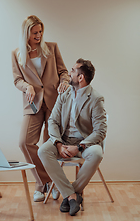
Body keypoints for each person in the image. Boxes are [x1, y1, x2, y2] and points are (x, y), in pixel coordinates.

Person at [12, 15, 70, 202]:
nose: (39, 35)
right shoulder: (17, 54)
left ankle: (44, 186)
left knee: (48, 146)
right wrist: (26, 86)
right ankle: (46, 182)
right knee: (24, 142)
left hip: (54, 101)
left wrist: (65, 81)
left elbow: (63, 71)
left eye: (40, 31)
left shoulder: (51, 48)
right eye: (35, 32)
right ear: (26, 33)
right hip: (33, 103)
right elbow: (17, 80)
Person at [38, 59, 107, 216]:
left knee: (97, 153)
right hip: (62, 142)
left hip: (84, 145)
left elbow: (100, 131)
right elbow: (53, 121)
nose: (69, 73)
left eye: (72, 70)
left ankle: (69, 194)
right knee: (43, 151)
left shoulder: (96, 99)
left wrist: (80, 146)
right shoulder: (64, 94)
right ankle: (72, 196)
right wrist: (58, 144)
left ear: (80, 77)